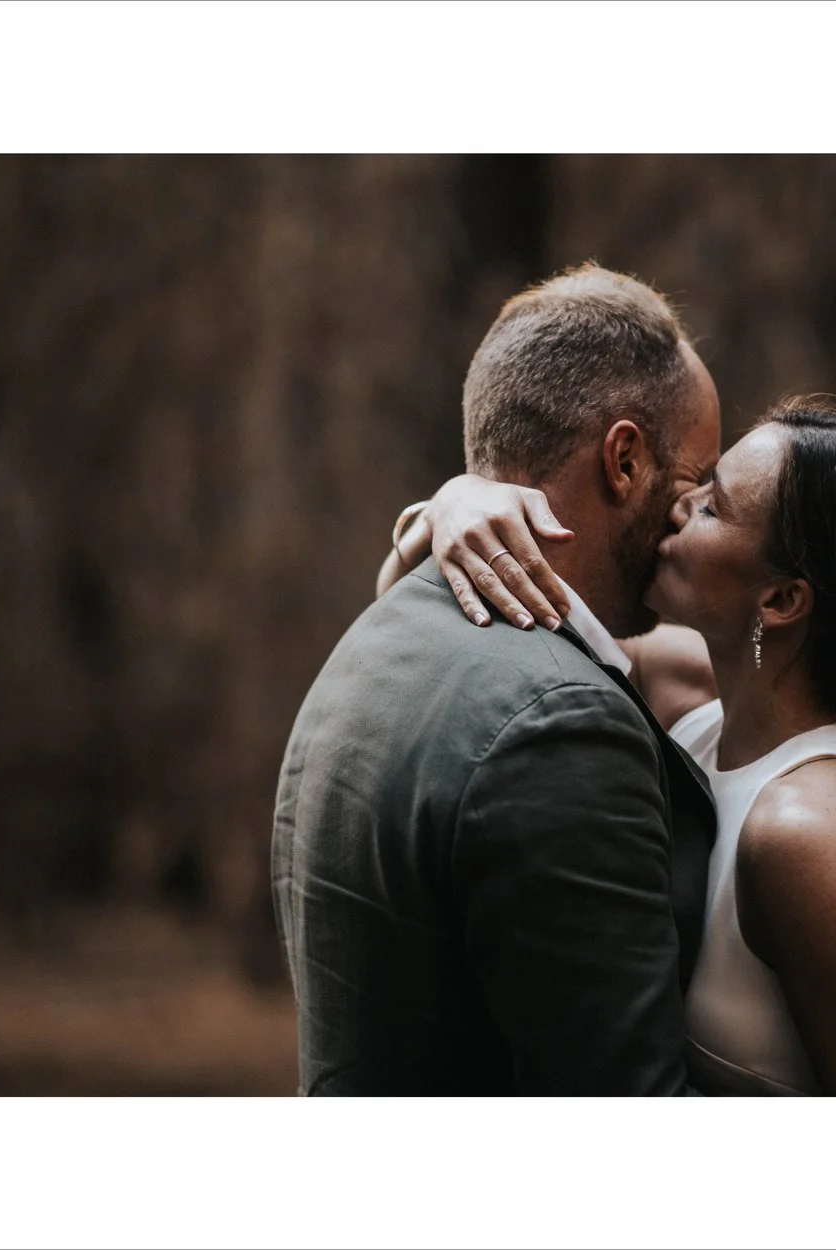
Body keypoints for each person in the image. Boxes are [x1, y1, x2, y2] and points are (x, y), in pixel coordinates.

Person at [393, 395, 836, 1094]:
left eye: (712, 506)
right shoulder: (700, 698)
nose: (675, 504)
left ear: (781, 601)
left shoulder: (813, 837)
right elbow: (468, 615)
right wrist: (460, 501)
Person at [271, 263, 720, 1094]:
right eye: (694, 485)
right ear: (624, 461)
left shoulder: (380, 635)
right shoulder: (562, 726)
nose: (693, 520)